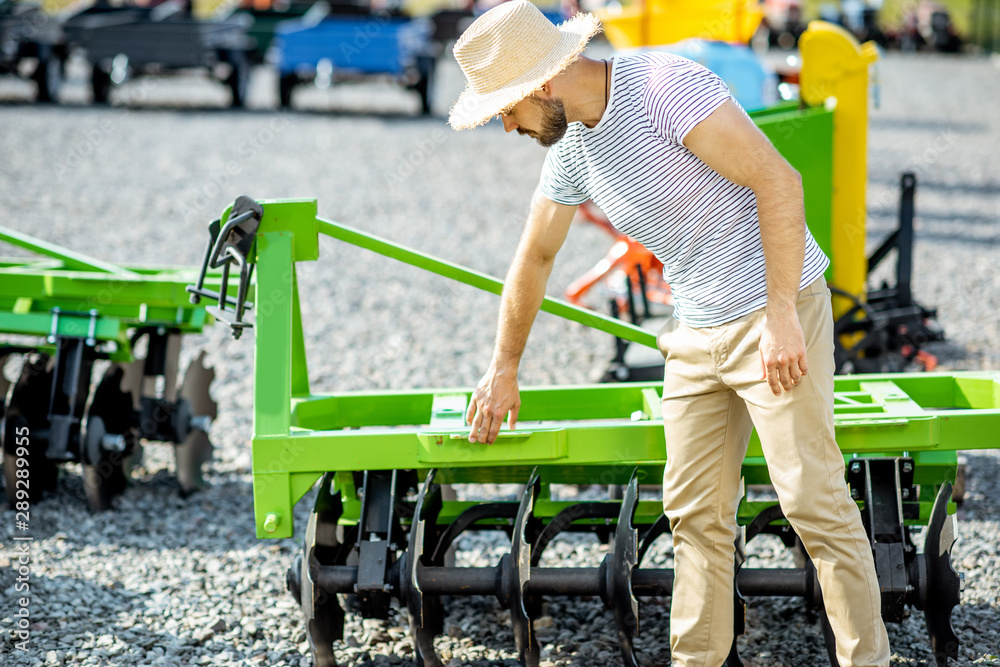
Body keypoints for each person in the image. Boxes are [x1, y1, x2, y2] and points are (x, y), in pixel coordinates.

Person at [447, 1, 891, 666]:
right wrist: (503, 364)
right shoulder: (571, 148)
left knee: (813, 501)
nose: (506, 126)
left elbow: (779, 181)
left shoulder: (661, 88)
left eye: (504, 109)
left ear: (542, 84)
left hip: (773, 310)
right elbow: (534, 257)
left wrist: (780, 318)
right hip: (694, 331)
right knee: (694, 517)